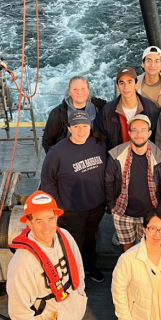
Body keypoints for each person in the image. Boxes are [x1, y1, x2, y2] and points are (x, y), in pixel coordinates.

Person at [6, 191, 87, 320]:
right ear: (29, 223)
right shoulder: (22, 263)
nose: (46, 227)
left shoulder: (65, 237)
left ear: (57, 217)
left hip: (72, 312)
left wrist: (81, 295)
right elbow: (18, 309)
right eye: (39, 221)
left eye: (50, 219)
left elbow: (78, 268)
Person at [39, 110, 107, 283]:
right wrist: (59, 207)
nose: (81, 130)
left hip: (96, 205)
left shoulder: (98, 143)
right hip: (71, 209)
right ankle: (75, 274)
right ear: (69, 128)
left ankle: (90, 266)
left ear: (90, 126)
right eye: (76, 127)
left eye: (85, 126)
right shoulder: (57, 152)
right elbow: (47, 182)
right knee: (74, 241)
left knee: (91, 237)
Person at [105, 115, 161, 252]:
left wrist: (158, 212)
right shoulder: (116, 155)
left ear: (149, 133)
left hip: (150, 214)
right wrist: (113, 206)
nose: (139, 134)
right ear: (129, 132)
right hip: (123, 213)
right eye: (134, 130)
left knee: (149, 251)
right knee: (128, 252)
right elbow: (108, 181)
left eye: (143, 130)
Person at [94, 67, 160, 150]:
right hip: (116, 160)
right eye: (122, 83)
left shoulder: (151, 109)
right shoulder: (106, 111)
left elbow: (157, 138)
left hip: (144, 159)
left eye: (130, 82)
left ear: (136, 84)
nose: (126, 87)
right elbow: (100, 140)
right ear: (117, 86)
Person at [42, 76, 106, 153]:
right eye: (75, 89)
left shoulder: (100, 107)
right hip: (68, 154)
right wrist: (57, 161)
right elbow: (47, 142)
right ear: (69, 91)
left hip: (94, 152)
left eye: (83, 88)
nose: (79, 92)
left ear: (88, 90)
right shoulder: (58, 113)